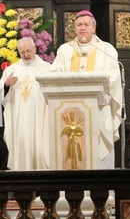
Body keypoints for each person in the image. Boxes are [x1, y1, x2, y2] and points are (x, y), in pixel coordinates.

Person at [50, 10, 122, 169]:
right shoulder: (65, 50)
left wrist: (107, 93)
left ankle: (102, 187)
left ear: (93, 28)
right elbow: (54, 74)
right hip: (69, 110)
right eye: (79, 25)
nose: (82, 28)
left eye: (86, 25)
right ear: (74, 28)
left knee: (99, 145)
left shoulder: (106, 49)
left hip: (99, 106)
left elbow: (113, 75)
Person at [0, 37, 52, 171]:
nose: (26, 55)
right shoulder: (11, 70)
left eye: (28, 51)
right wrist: (6, 85)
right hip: (19, 119)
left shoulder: (48, 69)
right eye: (22, 52)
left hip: (40, 117)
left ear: (35, 49)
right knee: (22, 146)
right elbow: (0, 91)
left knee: (40, 146)